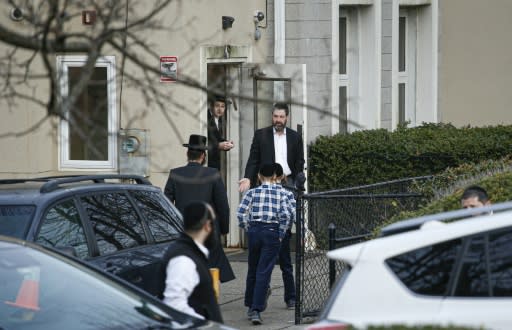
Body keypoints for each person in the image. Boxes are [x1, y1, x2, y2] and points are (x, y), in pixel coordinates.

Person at [164, 134, 235, 283]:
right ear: (203, 156)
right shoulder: (212, 174)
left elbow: (167, 205)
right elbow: (223, 205)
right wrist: (223, 229)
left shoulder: (175, 174)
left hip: (184, 229)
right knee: (210, 271)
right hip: (207, 231)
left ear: (187, 154)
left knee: (187, 268)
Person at [237, 163, 294, 325]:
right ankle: (256, 308)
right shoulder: (282, 193)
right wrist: (281, 234)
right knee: (264, 270)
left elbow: (241, 213)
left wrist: (247, 228)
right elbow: (285, 215)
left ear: (259, 176)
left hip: (255, 230)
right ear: (276, 177)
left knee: (253, 269)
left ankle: (249, 304)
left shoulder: (252, 192)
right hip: (272, 231)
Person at [160, 201, 223, 322]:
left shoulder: (192, 253)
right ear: (207, 225)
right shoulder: (183, 260)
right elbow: (174, 305)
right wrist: (205, 324)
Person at [238, 102, 305, 193]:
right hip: (267, 182)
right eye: (276, 116)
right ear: (272, 116)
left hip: (288, 183)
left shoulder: (295, 137)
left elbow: (299, 161)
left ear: (287, 118)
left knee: (289, 207)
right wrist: (248, 178)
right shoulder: (261, 135)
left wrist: (296, 183)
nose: (278, 120)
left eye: (281, 117)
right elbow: (253, 160)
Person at [272, 163, 297, 309]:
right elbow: (293, 213)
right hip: (283, 233)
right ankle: (291, 298)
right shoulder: (288, 192)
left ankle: (260, 296)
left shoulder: (259, 191)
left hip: (266, 231)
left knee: (263, 267)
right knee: (286, 266)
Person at [207, 95, 234, 170]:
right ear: (211, 106)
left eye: (223, 106)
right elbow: (203, 141)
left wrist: (226, 143)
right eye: (217, 106)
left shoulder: (219, 120)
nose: (220, 109)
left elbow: (216, 138)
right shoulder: (205, 118)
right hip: (206, 162)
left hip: (214, 163)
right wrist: (218, 145)